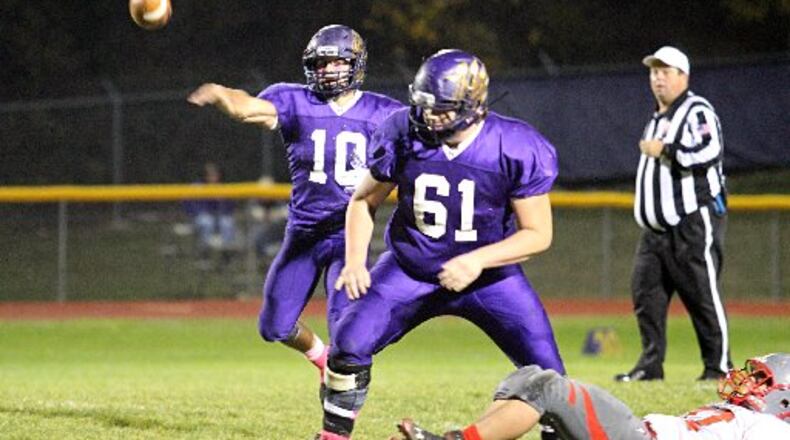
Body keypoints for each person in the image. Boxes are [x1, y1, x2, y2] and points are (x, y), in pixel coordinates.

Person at [317, 49, 565, 440]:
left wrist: (477, 261)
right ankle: (333, 435)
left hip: (490, 279)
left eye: (441, 109)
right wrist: (354, 260)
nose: (428, 117)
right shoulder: (401, 131)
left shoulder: (515, 145)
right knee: (347, 345)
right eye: (423, 105)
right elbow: (364, 201)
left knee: (552, 379)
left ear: (473, 105)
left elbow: (538, 233)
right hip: (411, 268)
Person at [187, 25, 402, 381]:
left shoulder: (384, 112)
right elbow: (248, 109)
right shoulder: (293, 99)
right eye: (321, 63)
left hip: (346, 235)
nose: (328, 70)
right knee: (274, 326)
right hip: (303, 233)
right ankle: (321, 357)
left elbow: (422, 148)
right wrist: (221, 93)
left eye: (336, 62)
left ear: (355, 64)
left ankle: (339, 411)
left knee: (347, 332)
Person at [616, 46, 730, 383]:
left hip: (691, 221)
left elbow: (710, 151)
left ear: (684, 76)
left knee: (701, 295)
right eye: (654, 72)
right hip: (655, 232)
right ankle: (650, 366)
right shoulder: (657, 117)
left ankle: (718, 367)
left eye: (665, 72)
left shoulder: (697, 110)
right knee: (645, 294)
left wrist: (667, 150)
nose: (658, 78)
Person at [391, 352, 790, 440]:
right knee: (528, 374)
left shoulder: (771, 428)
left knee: (551, 389)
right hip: (639, 432)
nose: (746, 380)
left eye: (760, 379)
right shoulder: (740, 413)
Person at [183, 162, 237, 256]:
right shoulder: (196, 187)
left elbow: (231, 207)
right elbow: (187, 204)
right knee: (207, 223)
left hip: (220, 216)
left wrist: (222, 200)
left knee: (227, 223)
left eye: (215, 175)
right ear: (205, 176)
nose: (213, 177)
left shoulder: (222, 187)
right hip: (201, 216)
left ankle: (225, 253)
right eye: (210, 175)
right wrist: (198, 212)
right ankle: (205, 253)